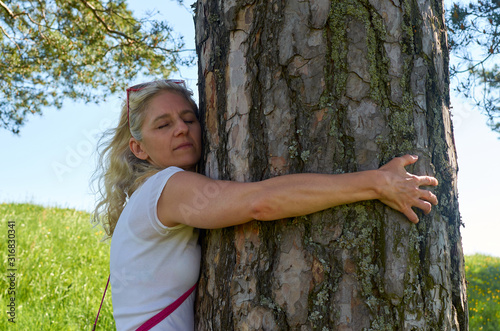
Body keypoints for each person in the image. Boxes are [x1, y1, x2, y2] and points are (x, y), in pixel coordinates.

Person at [92, 79, 438, 330]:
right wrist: (376, 183)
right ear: (139, 149)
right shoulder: (166, 188)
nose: (181, 129)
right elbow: (261, 203)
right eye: (163, 125)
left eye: (189, 118)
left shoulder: (148, 196)